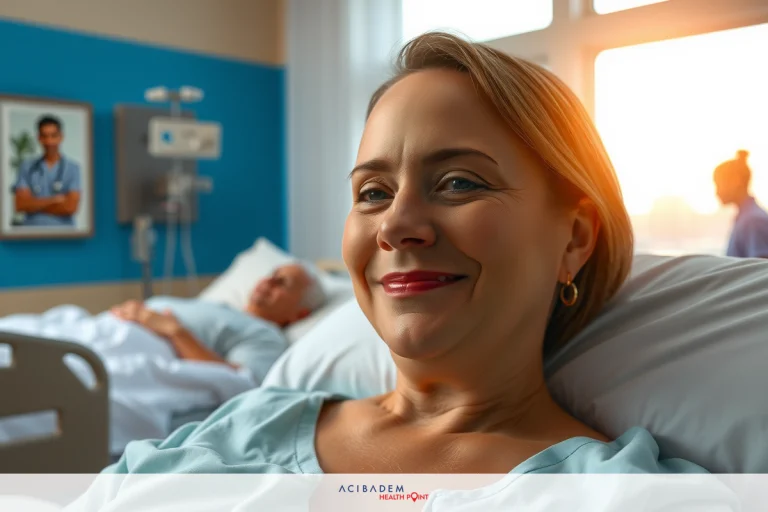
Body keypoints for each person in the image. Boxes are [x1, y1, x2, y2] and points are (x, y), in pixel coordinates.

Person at [78, 31, 710, 490]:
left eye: (460, 182)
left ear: (573, 239)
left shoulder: (624, 494)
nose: (396, 226)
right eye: (373, 193)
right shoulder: (240, 425)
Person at [110, 262, 326, 384]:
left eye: (282, 283)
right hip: (111, 329)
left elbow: (239, 382)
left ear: (298, 315)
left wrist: (174, 331)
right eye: (271, 274)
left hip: (131, 355)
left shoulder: (266, 335)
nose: (268, 281)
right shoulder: (220, 307)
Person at [12, 115, 82, 227]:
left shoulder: (73, 168)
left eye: (53, 136)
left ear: (61, 137)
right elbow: (20, 205)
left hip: (64, 236)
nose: (49, 142)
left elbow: (71, 207)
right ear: (39, 138)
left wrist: (34, 204)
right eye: (45, 136)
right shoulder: (27, 167)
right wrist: (54, 200)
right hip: (29, 235)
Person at [713, 150, 768, 258]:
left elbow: (760, 269)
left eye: (718, 184)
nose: (716, 191)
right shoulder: (746, 218)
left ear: (735, 181)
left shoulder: (753, 221)